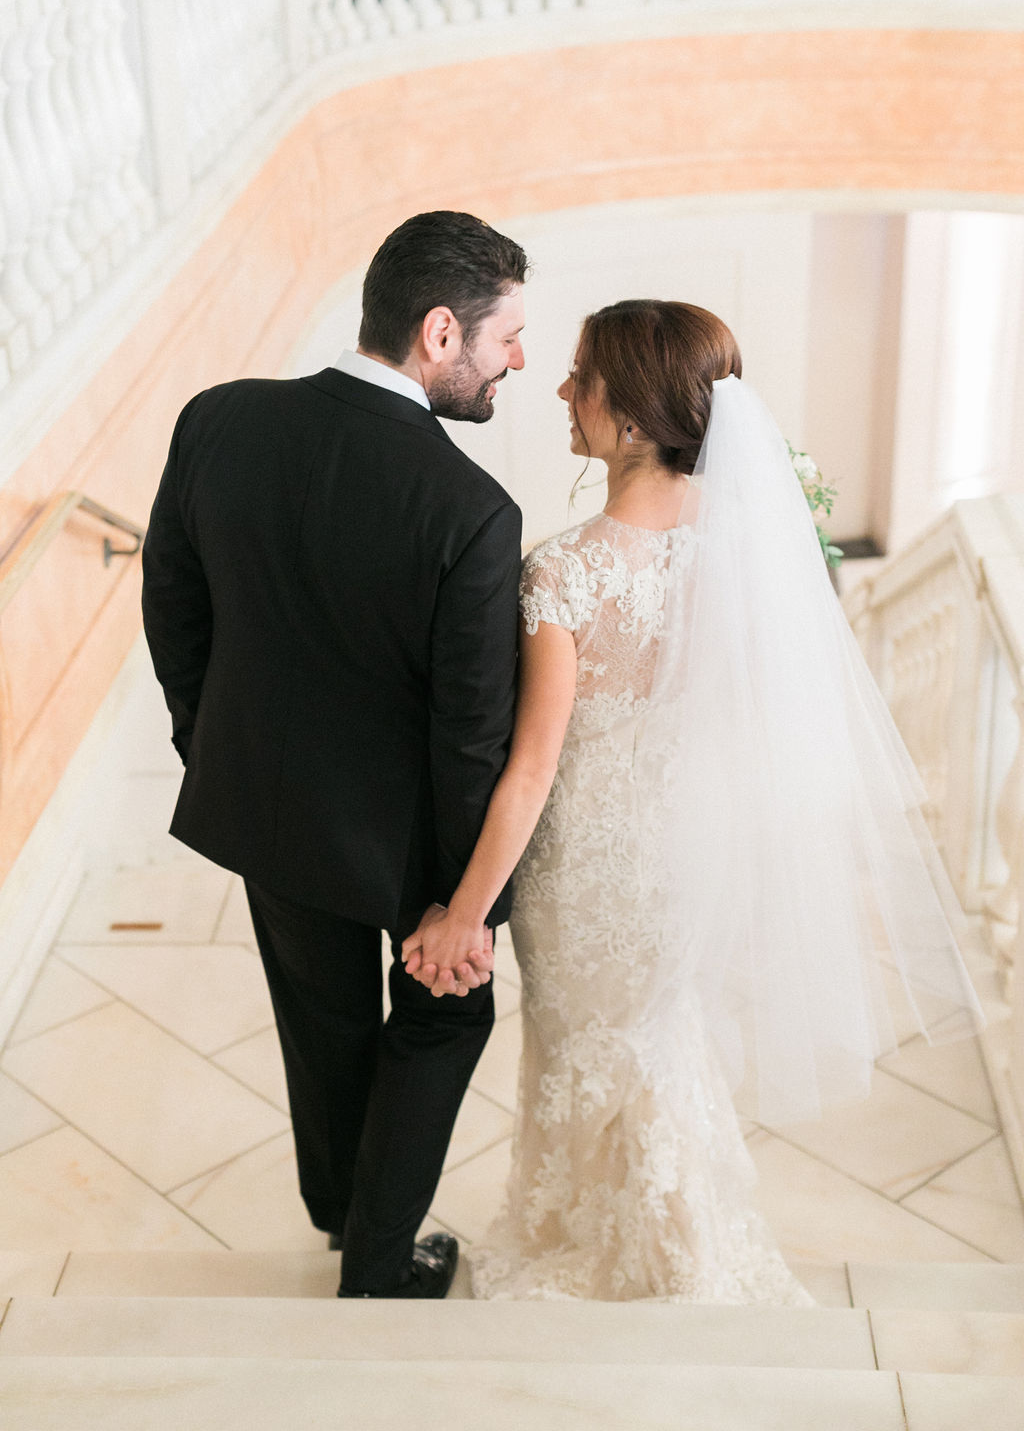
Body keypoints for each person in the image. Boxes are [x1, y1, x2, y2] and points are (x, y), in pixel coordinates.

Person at [403, 298, 983, 1302]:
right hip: (685, 847)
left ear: (627, 417)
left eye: (579, 376)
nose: (560, 389)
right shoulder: (751, 557)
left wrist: (463, 913)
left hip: (585, 862)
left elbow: (533, 770)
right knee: (657, 1035)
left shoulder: (566, 574)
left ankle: (640, 1253)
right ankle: (676, 1240)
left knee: (592, 1042)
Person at [142, 210, 528, 1300]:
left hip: (266, 804)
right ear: (440, 333)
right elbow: (468, 733)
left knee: (321, 1020)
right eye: (507, 337)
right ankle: (376, 1254)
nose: (518, 360)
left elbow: (173, 604)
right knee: (447, 1016)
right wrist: (466, 910)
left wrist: (208, 742)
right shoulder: (470, 508)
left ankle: (337, 1206)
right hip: (408, 841)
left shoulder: (218, 419)